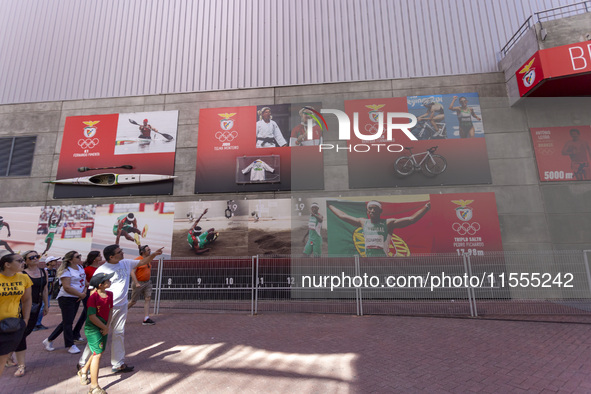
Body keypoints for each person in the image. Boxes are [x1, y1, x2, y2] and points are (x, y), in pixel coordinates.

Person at [78, 244, 163, 374]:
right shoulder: (102, 269)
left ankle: (118, 364)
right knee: (98, 335)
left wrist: (153, 255)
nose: (122, 253)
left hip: (121, 306)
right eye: (119, 252)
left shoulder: (126, 263)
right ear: (111, 256)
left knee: (119, 333)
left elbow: (142, 261)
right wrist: (95, 310)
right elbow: (93, 291)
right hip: (105, 309)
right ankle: (83, 363)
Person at [328, 201, 431, 257]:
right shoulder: (363, 222)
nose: (372, 211)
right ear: (367, 211)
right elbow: (343, 216)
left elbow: (411, 219)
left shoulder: (388, 223)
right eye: (370, 208)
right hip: (368, 262)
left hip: (383, 262)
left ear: (380, 211)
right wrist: (329, 206)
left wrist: (426, 207)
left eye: (375, 209)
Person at [8, 251, 48, 377]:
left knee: (26, 332)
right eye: (32, 257)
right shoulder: (21, 274)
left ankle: (8, 356)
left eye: (37, 256)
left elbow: (45, 289)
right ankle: (21, 365)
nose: (35, 258)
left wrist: (46, 305)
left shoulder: (43, 271)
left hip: (36, 306)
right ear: (26, 260)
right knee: (21, 334)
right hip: (21, 307)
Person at [42, 251, 87, 354]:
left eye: (79, 255)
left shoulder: (80, 267)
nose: (80, 257)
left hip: (76, 297)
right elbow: (67, 287)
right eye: (77, 256)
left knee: (67, 321)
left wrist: (83, 291)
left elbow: (83, 281)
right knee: (68, 322)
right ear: (70, 260)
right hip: (67, 298)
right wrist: (80, 295)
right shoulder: (66, 270)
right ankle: (70, 345)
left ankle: (49, 340)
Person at [77, 273, 114, 394]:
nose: (110, 281)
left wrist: (107, 326)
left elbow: (110, 310)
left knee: (99, 351)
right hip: (93, 329)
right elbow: (92, 316)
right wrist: (104, 327)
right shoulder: (93, 298)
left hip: (103, 327)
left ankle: (84, 370)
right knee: (97, 354)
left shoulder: (110, 294)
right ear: (100, 285)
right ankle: (94, 386)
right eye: (107, 280)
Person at [0, 254, 32, 378]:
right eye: (19, 261)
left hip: (11, 325)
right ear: (7, 264)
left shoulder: (24, 278)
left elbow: (27, 300)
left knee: (2, 359)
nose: (23, 263)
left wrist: (26, 319)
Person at [72, 251, 104, 343]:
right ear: (94, 258)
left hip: (98, 293)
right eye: (99, 256)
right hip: (88, 293)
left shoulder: (101, 268)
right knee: (91, 314)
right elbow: (83, 283)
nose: (101, 257)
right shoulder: (87, 269)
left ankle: (76, 333)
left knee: (86, 314)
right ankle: (93, 334)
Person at [129, 245, 155, 325]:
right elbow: (132, 272)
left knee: (148, 298)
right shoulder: (137, 260)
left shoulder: (148, 259)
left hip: (147, 282)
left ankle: (146, 318)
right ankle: (118, 313)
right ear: (142, 252)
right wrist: (136, 283)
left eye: (150, 249)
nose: (150, 251)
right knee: (133, 301)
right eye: (148, 250)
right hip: (139, 283)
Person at [35, 256, 60, 330]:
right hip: (42, 292)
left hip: (49, 292)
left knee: (46, 306)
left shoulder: (54, 271)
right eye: (54, 260)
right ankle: (35, 323)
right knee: (42, 307)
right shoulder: (44, 271)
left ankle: (38, 322)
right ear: (49, 262)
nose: (56, 262)